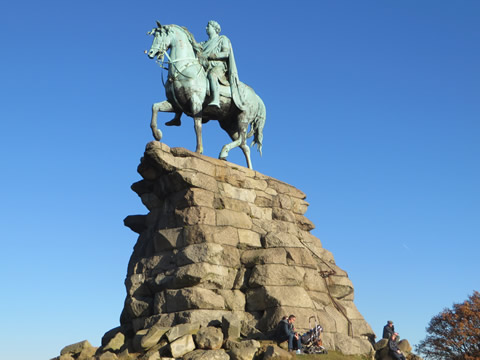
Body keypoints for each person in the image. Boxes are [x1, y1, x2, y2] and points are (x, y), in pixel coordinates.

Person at [200, 20, 245, 109]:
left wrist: (210, 55)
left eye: (208, 26)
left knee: (212, 74)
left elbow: (226, 53)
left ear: (214, 28)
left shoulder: (222, 39)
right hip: (205, 67)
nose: (206, 28)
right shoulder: (203, 44)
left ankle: (216, 99)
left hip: (218, 67)